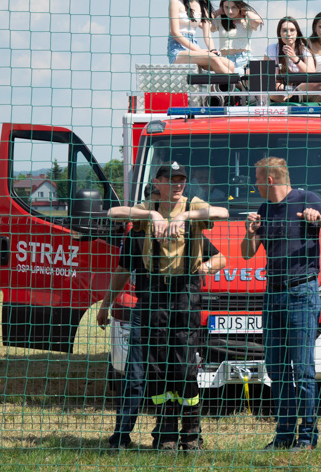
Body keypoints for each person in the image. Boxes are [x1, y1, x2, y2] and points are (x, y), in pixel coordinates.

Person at [107, 161, 228, 451]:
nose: (177, 184)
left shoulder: (193, 205)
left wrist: (185, 216)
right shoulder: (147, 208)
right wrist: (152, 214)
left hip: (184, 295)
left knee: (185, 368)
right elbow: (113, 213)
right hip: (154, 297)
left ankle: (191, 432)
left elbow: (222, 213)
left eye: (181, 179)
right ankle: (165, 432)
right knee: (157, 368)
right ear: (157, 182)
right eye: (170, 179)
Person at [240, 157, 321, 450]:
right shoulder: (264, 209)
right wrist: (250, 234)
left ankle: (308, 436)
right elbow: (248, 254)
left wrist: (320, 219)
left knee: (302, 369)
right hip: (273, 294)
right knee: (275, 369)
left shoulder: (306, 199)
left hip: (301, 292)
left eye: (258, 179)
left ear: (270, 180)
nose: (255, 184)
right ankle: (284, 435)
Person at [167, 0, 234, 74]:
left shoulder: (203, 4)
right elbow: (175, 33)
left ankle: (223, 88)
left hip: (194, 47)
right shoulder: (175, 1)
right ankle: (239, 86)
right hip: (178, 49)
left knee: (230, 64)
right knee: (211, 58)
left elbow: (207, 33)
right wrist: (199, 51)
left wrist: (212, 51)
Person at [264, 17, 318, 103]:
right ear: (280, 33)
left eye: (292, 30)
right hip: (281, 91)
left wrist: (295, 59)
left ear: (297, 33)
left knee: (319, 85)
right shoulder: (272, 49)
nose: (288, 34)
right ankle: (290, 99)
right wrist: (277, 84)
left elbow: (313, 76)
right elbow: (270, 78)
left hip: (301, 89)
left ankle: (293, 97)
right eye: (284, 30)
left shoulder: (304, 50)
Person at [212, 0, 263, 75]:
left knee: (256, 73)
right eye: (226, 7)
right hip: (225, 61)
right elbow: (204, 24)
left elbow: (257, 21)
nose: (230, 11)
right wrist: (217, 12)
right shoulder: (220, 19)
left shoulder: (247, 19)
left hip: (244, 60)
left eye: (234, 7)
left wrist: (245, 11)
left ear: (239, 6)